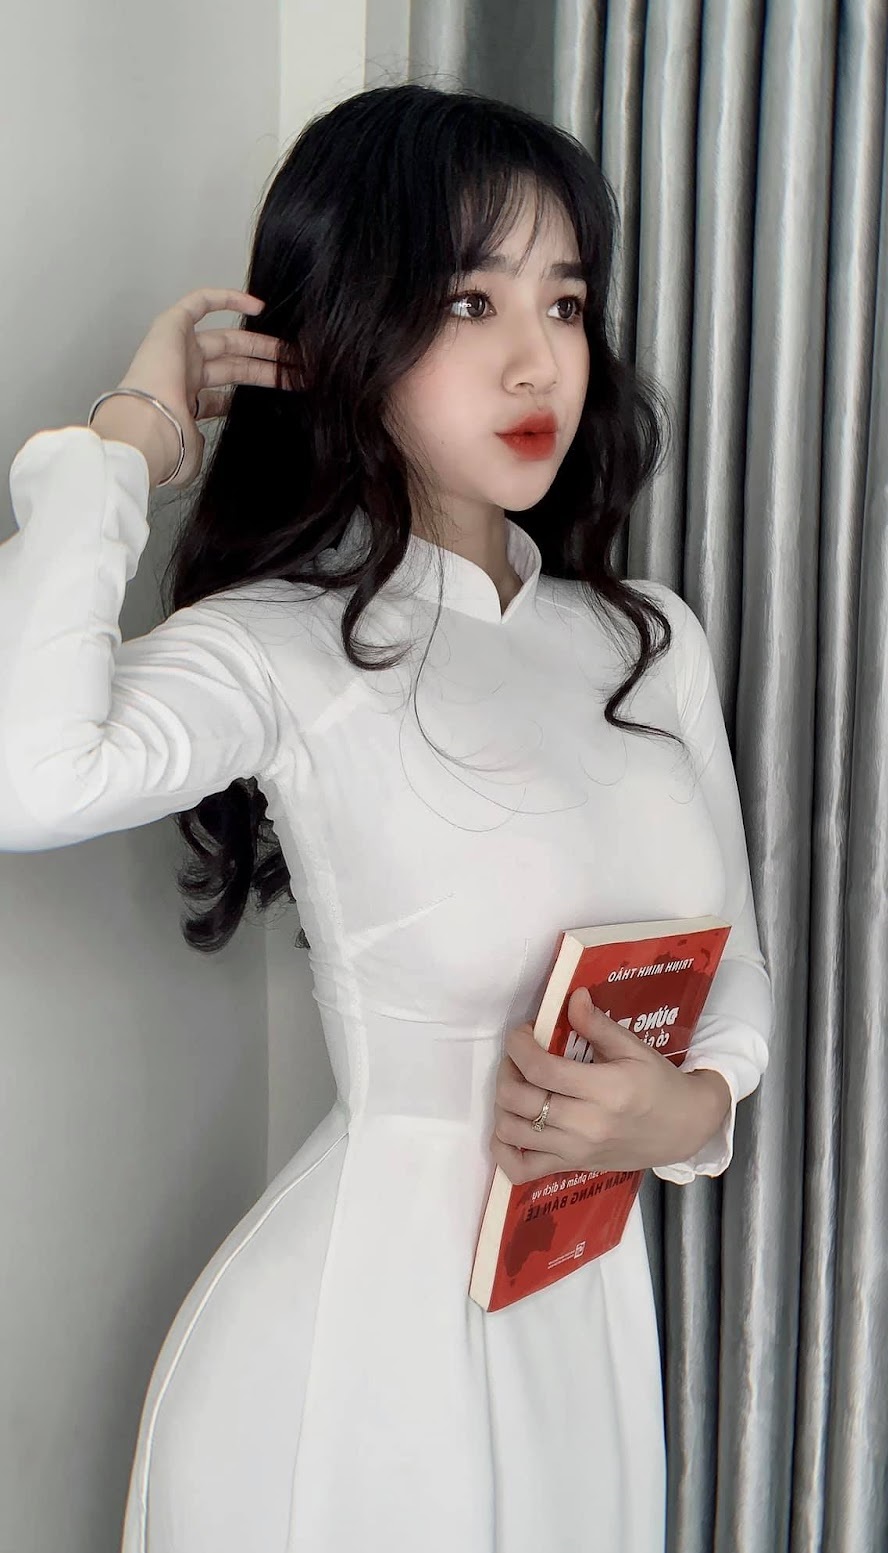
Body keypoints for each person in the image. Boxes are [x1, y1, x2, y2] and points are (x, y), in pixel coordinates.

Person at [0, 82, 773, 1553]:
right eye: (469, 302)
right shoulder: (283, 646)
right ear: (348, 331)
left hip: (580, 1321)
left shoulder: (645, 639)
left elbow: (729, 961)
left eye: (565, 300)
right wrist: (124, 441)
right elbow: (25, 775)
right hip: (358, 1357)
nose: (540, 357)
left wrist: (699, 1109)